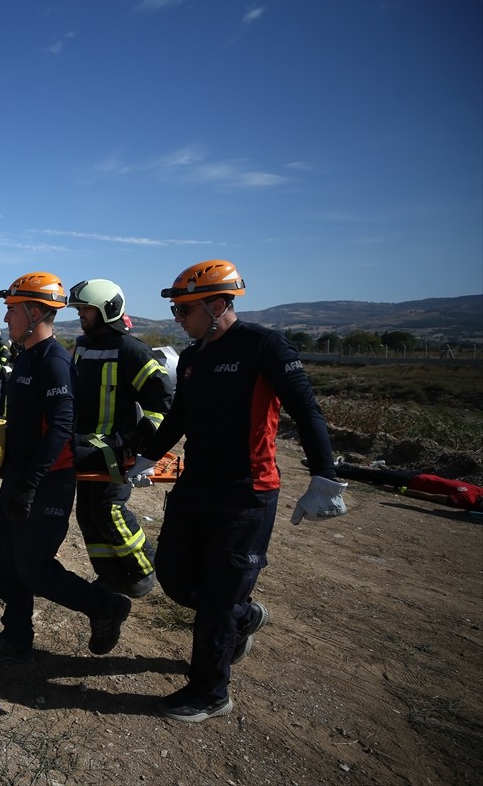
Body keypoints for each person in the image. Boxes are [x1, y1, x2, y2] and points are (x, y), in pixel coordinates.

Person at [135, 259, 345, 723]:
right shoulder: (193, 356)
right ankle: (243, 617)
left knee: (218, 598)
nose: (178, 318)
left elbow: (306, 409)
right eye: (175, 310)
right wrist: (147, 456)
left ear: (217, 305)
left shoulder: (263, 346)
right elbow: (179, 416)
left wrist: (324, 474)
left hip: (245, 493)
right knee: (173, 575)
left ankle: (210, 693)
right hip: (196, 485)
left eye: (185, 309)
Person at [0, 272, 132, 666]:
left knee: (35, 569)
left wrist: (31, 482)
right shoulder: (26, 356)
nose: (5, 318)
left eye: (11, 309)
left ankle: (105, 607)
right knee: (8, 564)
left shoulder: (54, 360)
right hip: (21, 476)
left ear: (34, 312)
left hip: (47, 481)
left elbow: (61, 426)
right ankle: (16, 639)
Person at [67, 278, 173, 599]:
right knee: (87, 514)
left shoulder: (131, 350)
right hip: (84, 447)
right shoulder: (82, 346)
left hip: (116, 450)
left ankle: (144, 568)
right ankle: (110, 575)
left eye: (86, 309)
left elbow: (162, 402)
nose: (80, 315)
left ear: (106, 310)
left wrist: (142, 444)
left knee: (109, 510)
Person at [331, 461, 483, 512]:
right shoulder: (479, 491)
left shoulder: (467, 499)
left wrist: (399, 490)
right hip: (419, 476)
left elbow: (432, 497)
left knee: (372, 476)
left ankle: (336, 469)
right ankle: (344, 467)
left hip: (411, 483)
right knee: (375, 474)